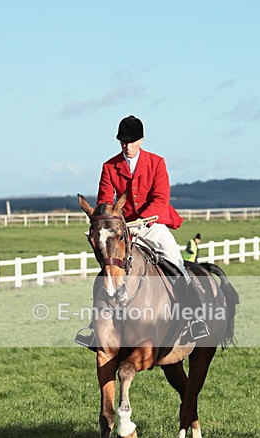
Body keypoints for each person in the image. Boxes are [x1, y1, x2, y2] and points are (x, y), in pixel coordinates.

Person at [89, 115, 209, 342]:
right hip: (122, 230)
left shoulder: (156, 162)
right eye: (123, 141)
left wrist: (141, 221)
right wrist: (109, 222)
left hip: (153, 224)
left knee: (176, 262)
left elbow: (161, 198)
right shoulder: (109, 166)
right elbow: (105, 201)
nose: (127, 146)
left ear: (141, 140)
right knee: (108, 266)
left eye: (131, 141)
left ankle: (194, 318)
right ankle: (94, 327)